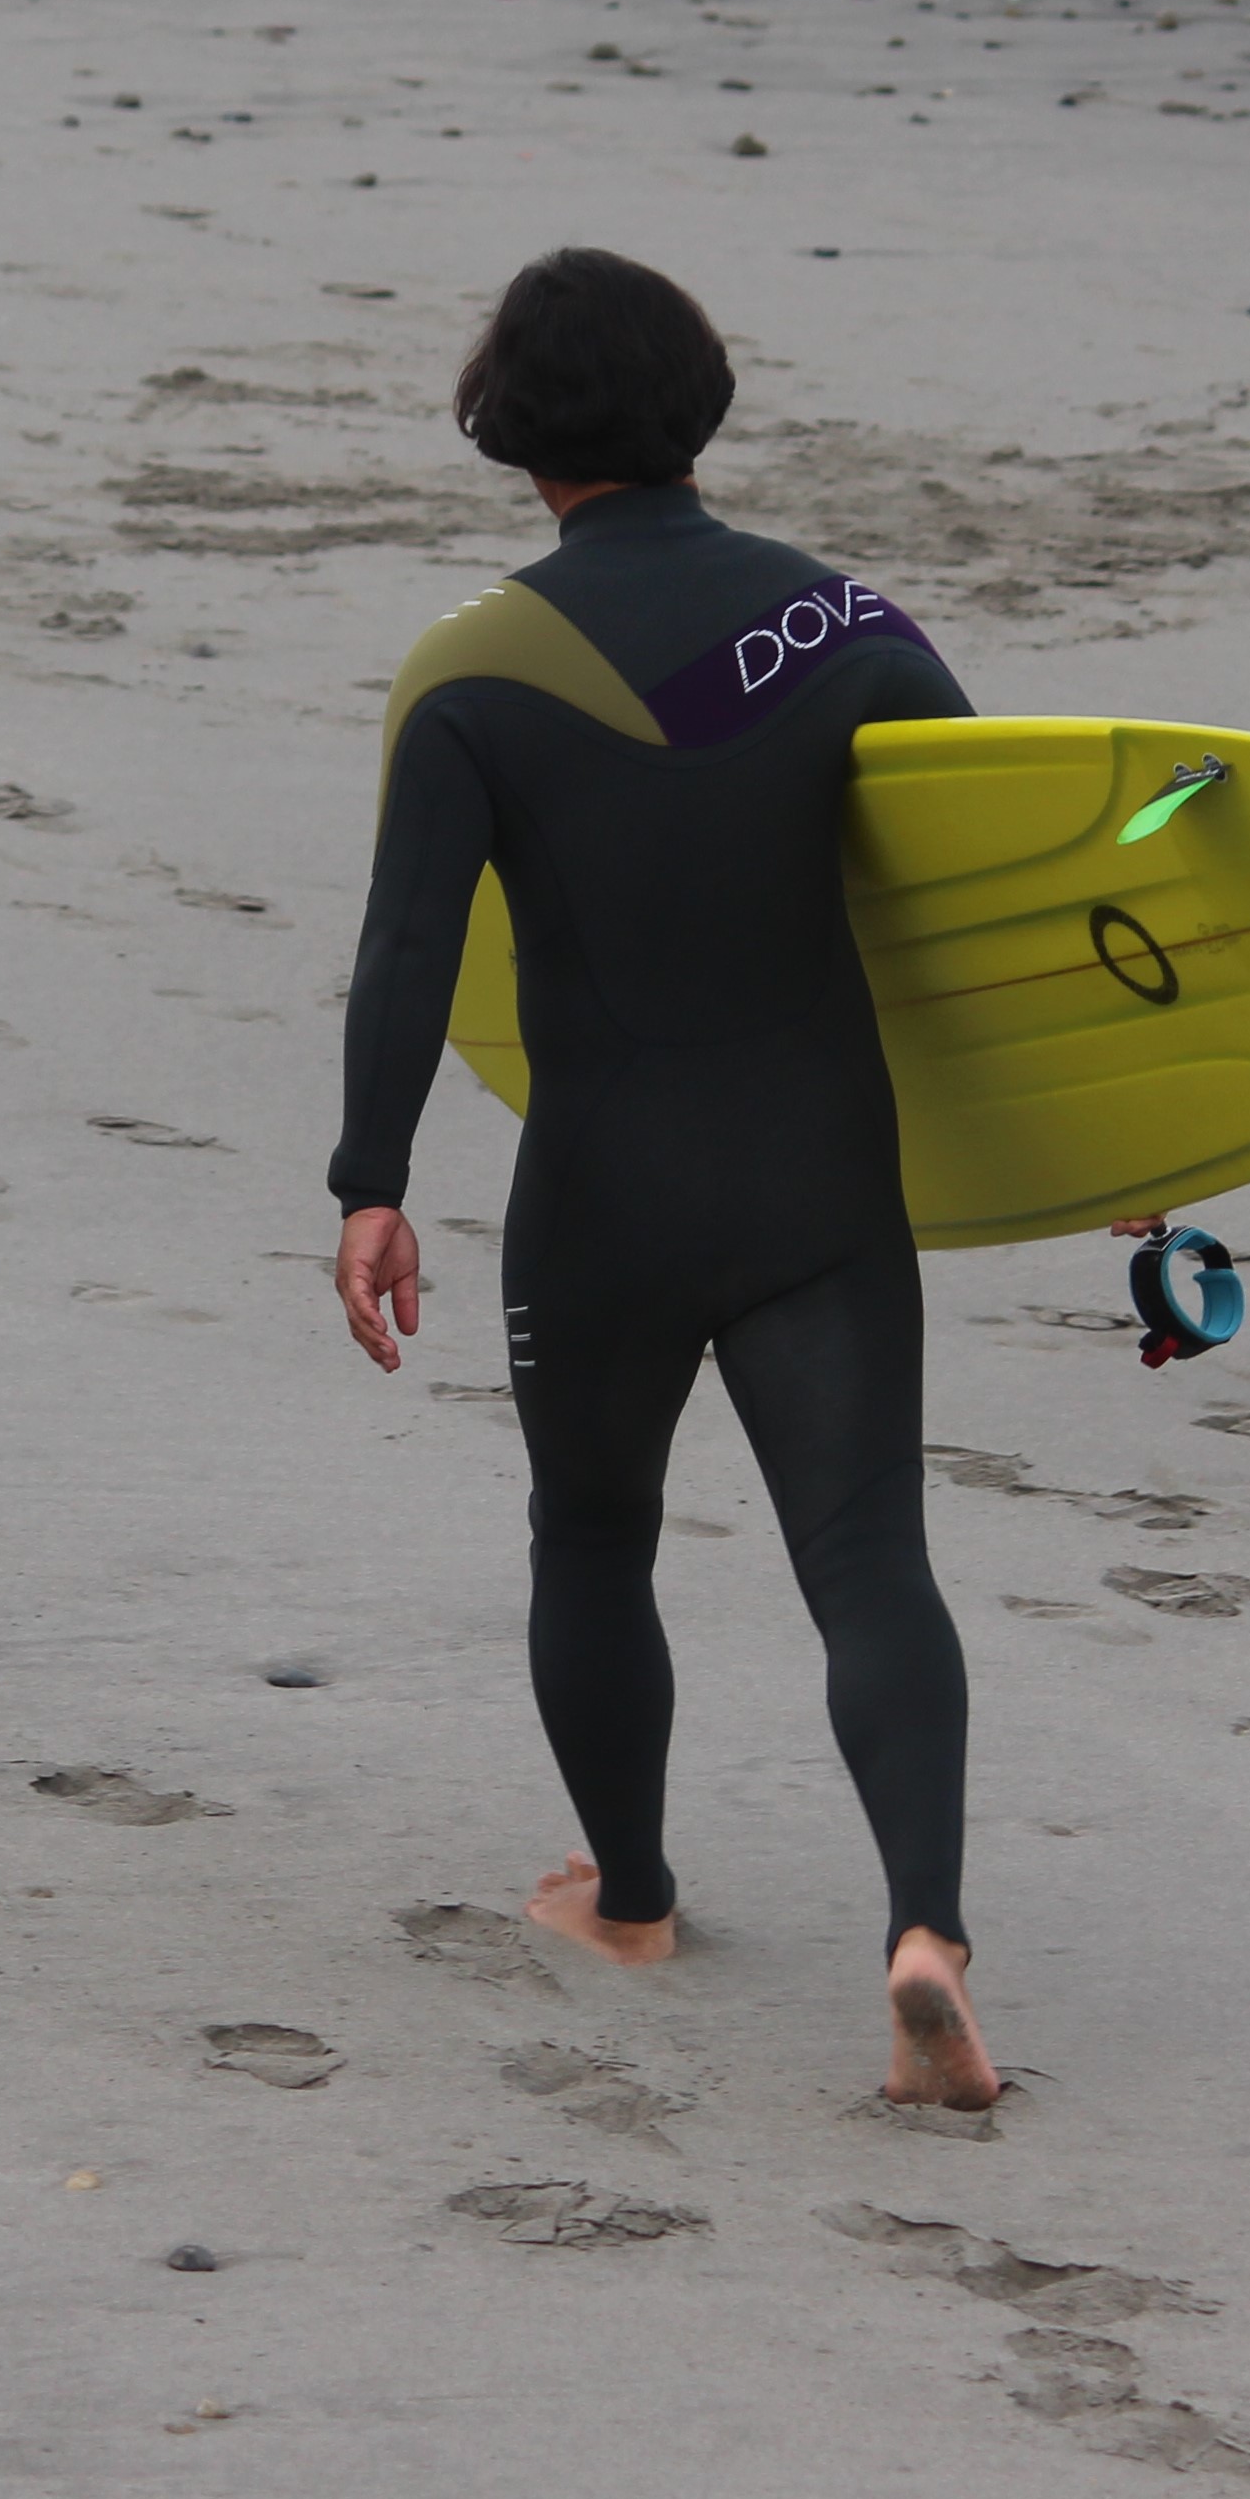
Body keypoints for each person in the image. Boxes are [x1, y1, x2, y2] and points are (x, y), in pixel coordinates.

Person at [326, 247, 998, 2108]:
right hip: (818, 1195)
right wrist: (1095, 1138)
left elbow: (404, 946)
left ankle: (628, 1900)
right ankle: (924, 1931)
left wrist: (370, 1183)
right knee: (871, 1565)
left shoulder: (472, 671)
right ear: (699, 404)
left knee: (594, 1538)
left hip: (606, 1195)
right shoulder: (842, 624)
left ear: (510, 426)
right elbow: (990, 906)